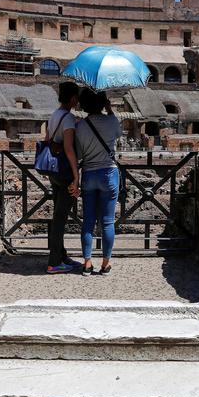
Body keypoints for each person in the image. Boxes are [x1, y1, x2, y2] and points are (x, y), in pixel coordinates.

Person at [75, 89, 122, 275]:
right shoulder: (111, 120)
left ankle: (87, 264)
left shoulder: (81, 126)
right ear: (103, 103)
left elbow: (79, 155)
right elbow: (118, 134)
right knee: (108, 222)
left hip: (88, 174)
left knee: (88, 220)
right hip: (109, 173)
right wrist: (110, 110)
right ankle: (105, 264)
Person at [45, 81, 82, 274]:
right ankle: (53, 263)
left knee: (58, 215)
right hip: (65, 172)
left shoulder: (54, 115)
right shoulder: (68, 118)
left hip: (53, 172)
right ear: (73, 98)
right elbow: (68, 148)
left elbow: (48, 140)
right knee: (60, 218)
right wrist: (76, 178)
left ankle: (61, 255)